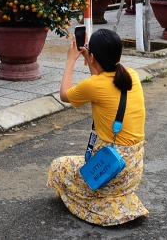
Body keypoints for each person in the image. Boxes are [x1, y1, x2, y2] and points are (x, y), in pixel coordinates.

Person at [47, 28, 148, 226]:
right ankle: (118, 200)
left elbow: (65, 94)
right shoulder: (132, 76)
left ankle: (97, 203)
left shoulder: (94, 85)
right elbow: (103, 79)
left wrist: (71, 60)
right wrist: (91, 59)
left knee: (58, 167)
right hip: (132, 171)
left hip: (110, 170)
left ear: (93, 57)